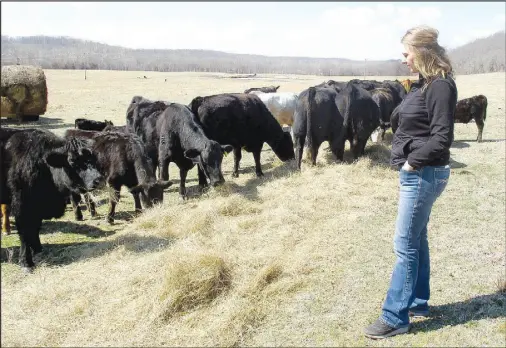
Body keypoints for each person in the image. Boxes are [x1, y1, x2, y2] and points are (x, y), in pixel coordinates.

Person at [364, 25, 458, 339]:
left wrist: (411, 162)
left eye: (407, 53)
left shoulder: (440, 87)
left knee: (404, 245)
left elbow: (442, 138)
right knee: (417, 240)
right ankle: (417, 302)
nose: (404, 59)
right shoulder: (424, 84)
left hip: (423, 173)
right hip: (421, 173)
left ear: (422, 51)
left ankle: (395, 317)